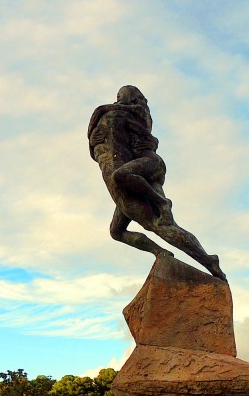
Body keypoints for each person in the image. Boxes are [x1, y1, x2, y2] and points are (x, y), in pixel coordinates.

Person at [88, 85, 226, 281]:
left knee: (159, 225)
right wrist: (94, 140)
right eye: (118, 96)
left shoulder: (129, 114)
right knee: (117, 231)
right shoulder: (114, 116)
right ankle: (160, 252)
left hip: (143, 168)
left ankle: (208, 260)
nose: (118, 99)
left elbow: (145, 140)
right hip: (131, 175)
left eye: (123, 95)